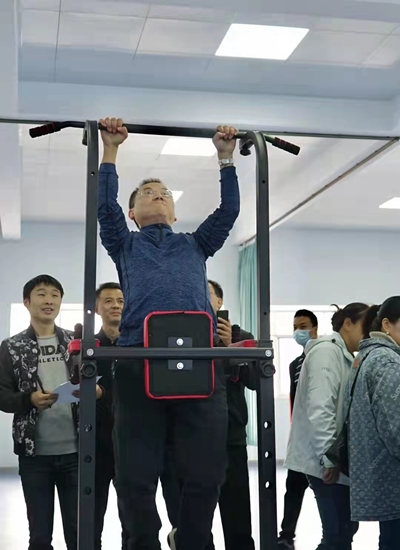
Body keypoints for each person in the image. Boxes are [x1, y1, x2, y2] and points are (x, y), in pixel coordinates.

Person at [97, 117, 240, 550]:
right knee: (135, 476)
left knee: (207, 472)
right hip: (138, 361)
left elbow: (228, 212)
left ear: (175, 212)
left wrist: (225, 158)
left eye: (164, 193)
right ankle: (144, 542)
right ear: (132, 214)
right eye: (146, 193)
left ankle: (191, 538)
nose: (157, 195)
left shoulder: (196, 243)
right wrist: (110, 149)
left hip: (198, 364)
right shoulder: (124, 243)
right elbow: (104, 207)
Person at [0, 274, 103, 550]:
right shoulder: (11, 347)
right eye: (42, 294)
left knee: (79, 533)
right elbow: (3, 396)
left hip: (77, 453)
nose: (49, 300)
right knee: (40, 535)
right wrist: (29, 399)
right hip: (34, 456)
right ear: (27, 302)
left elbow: (96, 384)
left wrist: (96, 391)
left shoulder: (77, 341)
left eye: (55, 295)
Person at [161, 279, 256, 550]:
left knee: (237, 515)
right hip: (191, 437)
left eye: (209, 294)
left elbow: (254, 381)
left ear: (219, 302)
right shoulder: (181, 336)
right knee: (197, 517)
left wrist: (228, 348)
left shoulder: (239, 336)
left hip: (230, 436)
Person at [285, 302, 369, 550]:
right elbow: (321, 409)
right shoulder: (326, 352)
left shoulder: (345, 355)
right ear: (347, 324)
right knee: (336, 535)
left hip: (334, 458)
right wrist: (328, 458)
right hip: (324, 461)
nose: (367, 334)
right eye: (365, 327)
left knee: (346, 529)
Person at [348, 297, 400, 550]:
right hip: (393, 477)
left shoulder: (367, 355)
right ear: (387, 324)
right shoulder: (387, 361)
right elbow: (395, 428)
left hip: (380, 473)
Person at [278, 309, 318, 550]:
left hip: (322, 438)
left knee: (327, 493)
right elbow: (295, 402)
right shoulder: (295, 365)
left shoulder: (324, 356)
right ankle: (286, 536)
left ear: (315, 329)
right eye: (294, 327)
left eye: (302, 326)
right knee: (293, 488)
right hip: (301, 439)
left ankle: (335, 536)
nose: (298, 332)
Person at [93, 282, 128, 550]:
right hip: (96, 442)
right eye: (108, 300)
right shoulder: (89, 348)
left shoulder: (139, 345)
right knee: (92, 513)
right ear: (97, 308)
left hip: (132, 441)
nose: (115, 305)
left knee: (133, 514)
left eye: (120, 300)